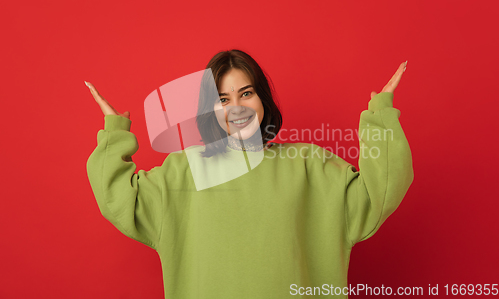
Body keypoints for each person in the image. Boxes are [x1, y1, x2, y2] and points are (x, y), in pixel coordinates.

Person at [86, 49, 413, 298]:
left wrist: (380, 118)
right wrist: (115, 133)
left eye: (246, 93)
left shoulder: (309, 165)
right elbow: (119, 197)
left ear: (261, 98)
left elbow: (377, 192)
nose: (237, 108)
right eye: (223, 99)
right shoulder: (184, 169)